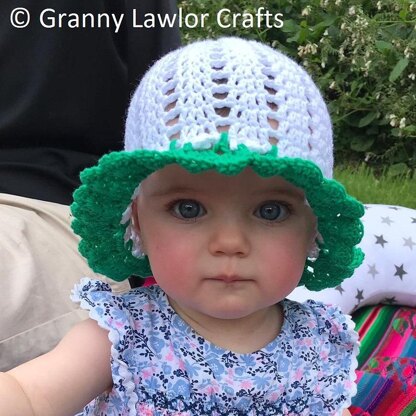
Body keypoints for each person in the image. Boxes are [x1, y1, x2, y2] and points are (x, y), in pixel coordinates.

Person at [0, 37, 365, 415]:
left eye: (271, 210)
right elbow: (28, 396)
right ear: (137, 223)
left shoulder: (321, 343)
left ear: (313, 229)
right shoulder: (122, 336)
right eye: (188, 209)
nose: (230, 242)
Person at [0, 0, 180, 370]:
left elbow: (166, 118)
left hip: (54, 200)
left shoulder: (324, 335)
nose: (232, 244)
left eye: (271, 211)